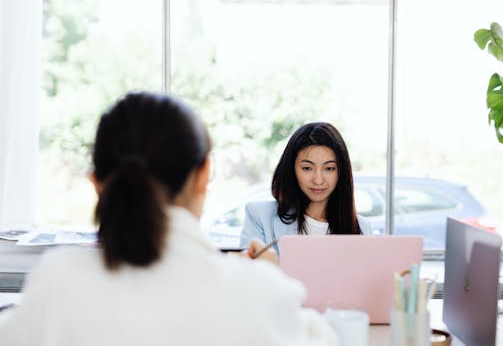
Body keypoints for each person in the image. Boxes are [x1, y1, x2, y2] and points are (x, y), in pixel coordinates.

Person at [0, 92, 338, 346]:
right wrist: (267, 279)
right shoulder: (259, 293)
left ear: (97, 184)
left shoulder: (57, 282)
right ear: (204, 176)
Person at [240, 122, 372, 256]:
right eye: (307, 168)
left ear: (341, 172)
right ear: (292, 169)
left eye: (329, 168)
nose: (318, 180)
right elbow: (249, 274)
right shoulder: (259, 216)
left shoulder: (362, 227)